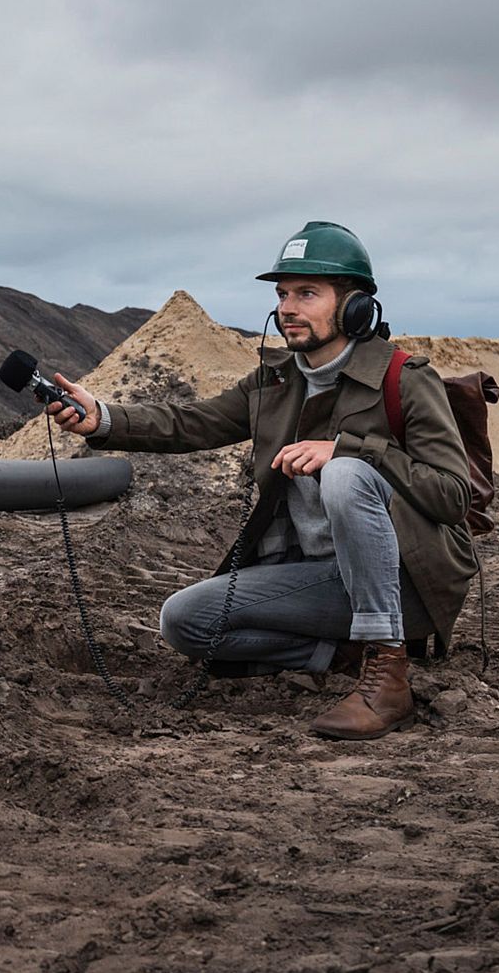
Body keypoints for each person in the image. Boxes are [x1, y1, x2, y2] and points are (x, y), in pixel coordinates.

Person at [44, 222, 476, 740]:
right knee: (185, 620)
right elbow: (192, 423)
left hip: (405, 583)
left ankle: (387, 673)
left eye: (307, 293)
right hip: (323, 580)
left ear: (355, 306)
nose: (287, 308)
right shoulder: (275, 381)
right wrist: (106, 419)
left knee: (346, 476)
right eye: (282, 293)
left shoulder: (404, 378)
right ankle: (342, 653)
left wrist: (349, 450)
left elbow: (453, 496)